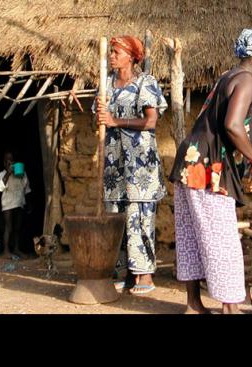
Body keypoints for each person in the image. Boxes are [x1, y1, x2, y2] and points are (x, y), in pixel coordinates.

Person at [168, 29, 252, 314]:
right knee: (222, 240)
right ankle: (229, 308)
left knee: (191, 234)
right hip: (208, 167)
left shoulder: (232, 76)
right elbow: (233, 126)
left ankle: (193, 305)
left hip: (191, 161)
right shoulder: (245, 80)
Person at [96, 35, 168, 295]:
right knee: (116, 214)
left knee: (139, 217)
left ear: (131, 56)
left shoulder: (145, 83)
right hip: (114, 162)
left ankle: (144, 274)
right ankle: (123, 271)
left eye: (116, 52)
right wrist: (104, 118)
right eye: (111, 52)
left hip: (140, 165)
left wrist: (116, 121)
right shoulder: (106, 84)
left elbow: (150, 122)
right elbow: (101, 116)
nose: (112, 56)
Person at [0, 151, 31, 260]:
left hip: (19, 202)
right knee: (8, 227)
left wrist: (29, 203)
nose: (9, 162)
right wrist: (8, 172)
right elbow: (0, 187)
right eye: (7, 160)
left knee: (17, 228)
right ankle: (6, 251)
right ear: (4, 163)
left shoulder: (22, 173)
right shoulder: (2, 174)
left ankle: (16, 249)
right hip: (8, 204)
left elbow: (27, 189)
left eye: (11, 160)